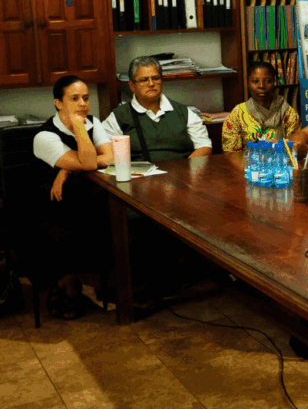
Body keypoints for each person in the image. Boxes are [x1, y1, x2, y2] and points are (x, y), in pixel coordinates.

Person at [32, 75, 114, 319]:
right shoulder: (44, 136)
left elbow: (111, 157)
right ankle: (64, 284)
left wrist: (67, 169)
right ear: (58, 103)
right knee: (72, 229)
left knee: (116, 219)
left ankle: (115, 285)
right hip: (55, 205)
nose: (83, 104)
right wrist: (79, 128)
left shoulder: (93, 122)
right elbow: (89, 162)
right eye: (74, 98)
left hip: (86, 198)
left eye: (86, 98)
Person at [103, 56, 212, 161]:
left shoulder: (184, 112)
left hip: (181, 172)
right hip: (139, 173)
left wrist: (185, 169)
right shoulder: (118, 117)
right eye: (144, 80)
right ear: (132, 85)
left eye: (155, 78)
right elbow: (107, 154)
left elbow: (204, 146)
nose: (151, 84)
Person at [221, 61, 301, 152]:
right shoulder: (237, 114)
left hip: (282, 160)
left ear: (274, 82)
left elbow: (296, 146)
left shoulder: (287, 112)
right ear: (248, 83)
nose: (261, 86)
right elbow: (231, 154)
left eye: (267, 81)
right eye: (255, 81)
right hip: (247, 161)